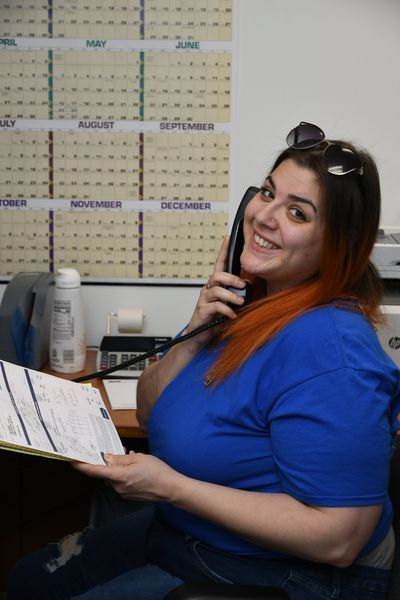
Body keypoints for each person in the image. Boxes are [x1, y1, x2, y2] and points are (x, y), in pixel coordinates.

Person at [8, 121, 400, 600]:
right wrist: (194, 335)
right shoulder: (246, 304)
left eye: (297, 213)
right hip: (188, 532)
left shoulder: (333, 352)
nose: (264, 216)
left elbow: (339, 538)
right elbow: (151, 410)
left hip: (285, 574)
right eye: (267, 193)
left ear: (336, 244)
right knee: (29, 579)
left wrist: (171, 487)